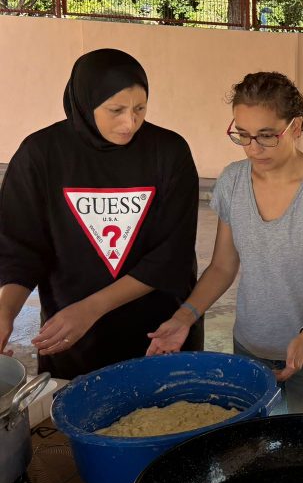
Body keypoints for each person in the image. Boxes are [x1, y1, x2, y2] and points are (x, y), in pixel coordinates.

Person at [147, 72, 303, 414]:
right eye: (243, 135)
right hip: (252, 349)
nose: (253, 148)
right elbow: (222, 266)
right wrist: (184, 317)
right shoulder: (233, 182)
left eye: (266, 135)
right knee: (259, 439)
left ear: (296, 126)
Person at [0, 49, 202, 378]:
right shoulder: (41, 155)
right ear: (84, 102)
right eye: (115, 110)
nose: (130, 122)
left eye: (140, 108)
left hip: (160, 333)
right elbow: (20, 248)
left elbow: (171, 257)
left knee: (169, 403)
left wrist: (91, 308)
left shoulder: (168, 152)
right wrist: (5, 313)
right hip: (73, 335)